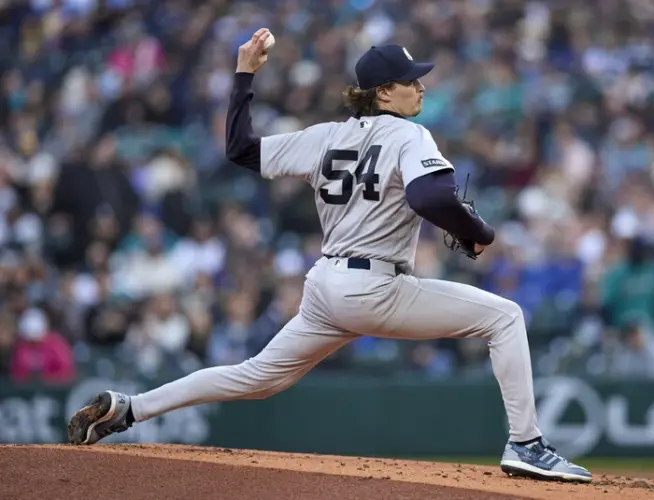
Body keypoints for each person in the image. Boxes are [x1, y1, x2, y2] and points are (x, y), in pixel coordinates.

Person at [67, 29, 592, 483]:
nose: (421, 86)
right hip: (374, 287)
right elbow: (431, 197)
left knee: (256, 377)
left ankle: (129, 408)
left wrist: (243, 75)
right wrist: (476, 230)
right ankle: (526, 445)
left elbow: (241, 149)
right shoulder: (410, 133)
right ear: (384, 92)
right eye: (411, 80)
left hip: (326, 285)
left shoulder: (326, 136)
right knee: (505, 317)